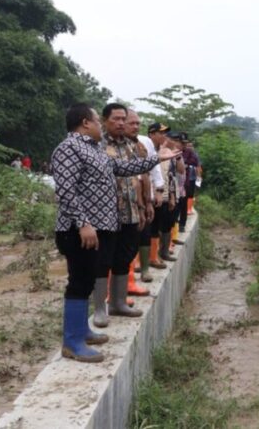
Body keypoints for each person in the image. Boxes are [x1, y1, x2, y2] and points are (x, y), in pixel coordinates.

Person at [52, 103, 179, 363]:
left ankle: (81, 331)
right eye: (97, 121)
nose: (100, 125)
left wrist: (158, 158)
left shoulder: (93, 150)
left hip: (99, 228)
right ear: (85, 123)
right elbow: (65, 190)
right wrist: (83, 223)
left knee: (87, 280)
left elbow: (122, 169)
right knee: (79, 281)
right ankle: (72, 342)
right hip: (79, 230)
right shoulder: (68, 149)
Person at [92, 104, 149, 328]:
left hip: (131, 212)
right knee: (102, 260)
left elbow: (139, 177)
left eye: (123, 119)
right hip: (105, 214)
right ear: (105, 121)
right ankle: (99, 309)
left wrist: (143, 207)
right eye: (116, 119)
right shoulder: (97, 145)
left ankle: (119, 303)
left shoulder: (132, 146)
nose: (121, 123)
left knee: (124, 257)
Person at [125, 110, 164, 284]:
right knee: (128, 238)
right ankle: (129, 277)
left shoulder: (143, 143)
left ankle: (145, 269)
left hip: (143, 194)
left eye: (137, 123)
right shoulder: (112, 146)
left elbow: (152, 167)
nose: (135, 126)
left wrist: (158, 190)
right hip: (125, 198)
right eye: (130, 123)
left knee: (145, 231)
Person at [147, 123, 177, 264]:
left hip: (162, 196)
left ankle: (154, 256)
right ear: (151, 134)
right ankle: (146, 260)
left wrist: (171, 196)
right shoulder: (146, 150)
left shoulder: (165, 153)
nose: (164, 136)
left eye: (165, 133)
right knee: (147, 229)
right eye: (161, 133)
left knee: (158, 227)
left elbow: (170, 176)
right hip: (149, 196)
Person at [179, 133, 200, 232]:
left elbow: (196, 162)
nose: (184, 145)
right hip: (174, 183)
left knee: (183, 204)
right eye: (182, 143)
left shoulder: (189, 152)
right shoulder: (173, 151)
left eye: (185, 143)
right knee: (175, 207)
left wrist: (185, 163)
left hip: (185, 182)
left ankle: (182, 225)